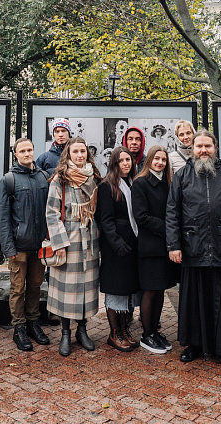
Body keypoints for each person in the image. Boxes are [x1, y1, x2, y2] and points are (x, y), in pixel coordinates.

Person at [167, 130, 221, 363]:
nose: (203, 151)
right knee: (193, 301)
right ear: (192, 149)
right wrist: (174, 245)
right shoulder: (182, 176)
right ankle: (194, 346)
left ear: (215, 148)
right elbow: (172, 213)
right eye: (199, 146)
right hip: (192, 247)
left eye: (208, 146)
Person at [45, 137, 101, 357]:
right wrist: (59, 244)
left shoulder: (93, 178)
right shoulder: (60, 179)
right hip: (68, 241)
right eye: (75, 152)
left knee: (86, 288)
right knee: (67, 290)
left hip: (89, 240)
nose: (80, 156)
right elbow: (51, 212)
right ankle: (66, 333)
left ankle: (83, 330)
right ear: (68, 154)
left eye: (83, 152)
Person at [0, 137, 51, 352]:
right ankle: (19, 327)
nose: (27, 154)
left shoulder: (43, 177)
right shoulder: (9, 180)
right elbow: (3, 218)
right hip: (18, 246)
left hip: (39, 245)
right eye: (23, 151)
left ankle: (33, 322)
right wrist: (8, 247)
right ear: (16, 154)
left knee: (36, 286)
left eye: (30, 150)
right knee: (18, 288)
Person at [131, 145, 178, 354]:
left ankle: (155, 331)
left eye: (163, 160)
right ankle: (146, 334)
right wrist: (168, 228)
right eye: (156, 159)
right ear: (149, 160)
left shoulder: (167, 183)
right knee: (150, 291)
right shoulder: (140, 183)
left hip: (165, 246)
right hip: (150, 246)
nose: (160, 162)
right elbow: (141, 217)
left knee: (160, 290)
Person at [97, 148, 141, 352]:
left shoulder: (133, 183)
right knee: (115, 290)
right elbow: (105, 220)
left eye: (128, 160)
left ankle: (124, 330)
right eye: (121, 160)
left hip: (131, 243)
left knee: (126, 289)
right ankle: (114, 333)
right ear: (114, 164)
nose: (126, 163)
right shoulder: (107, 186)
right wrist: (117, 243)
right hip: (115, 247)